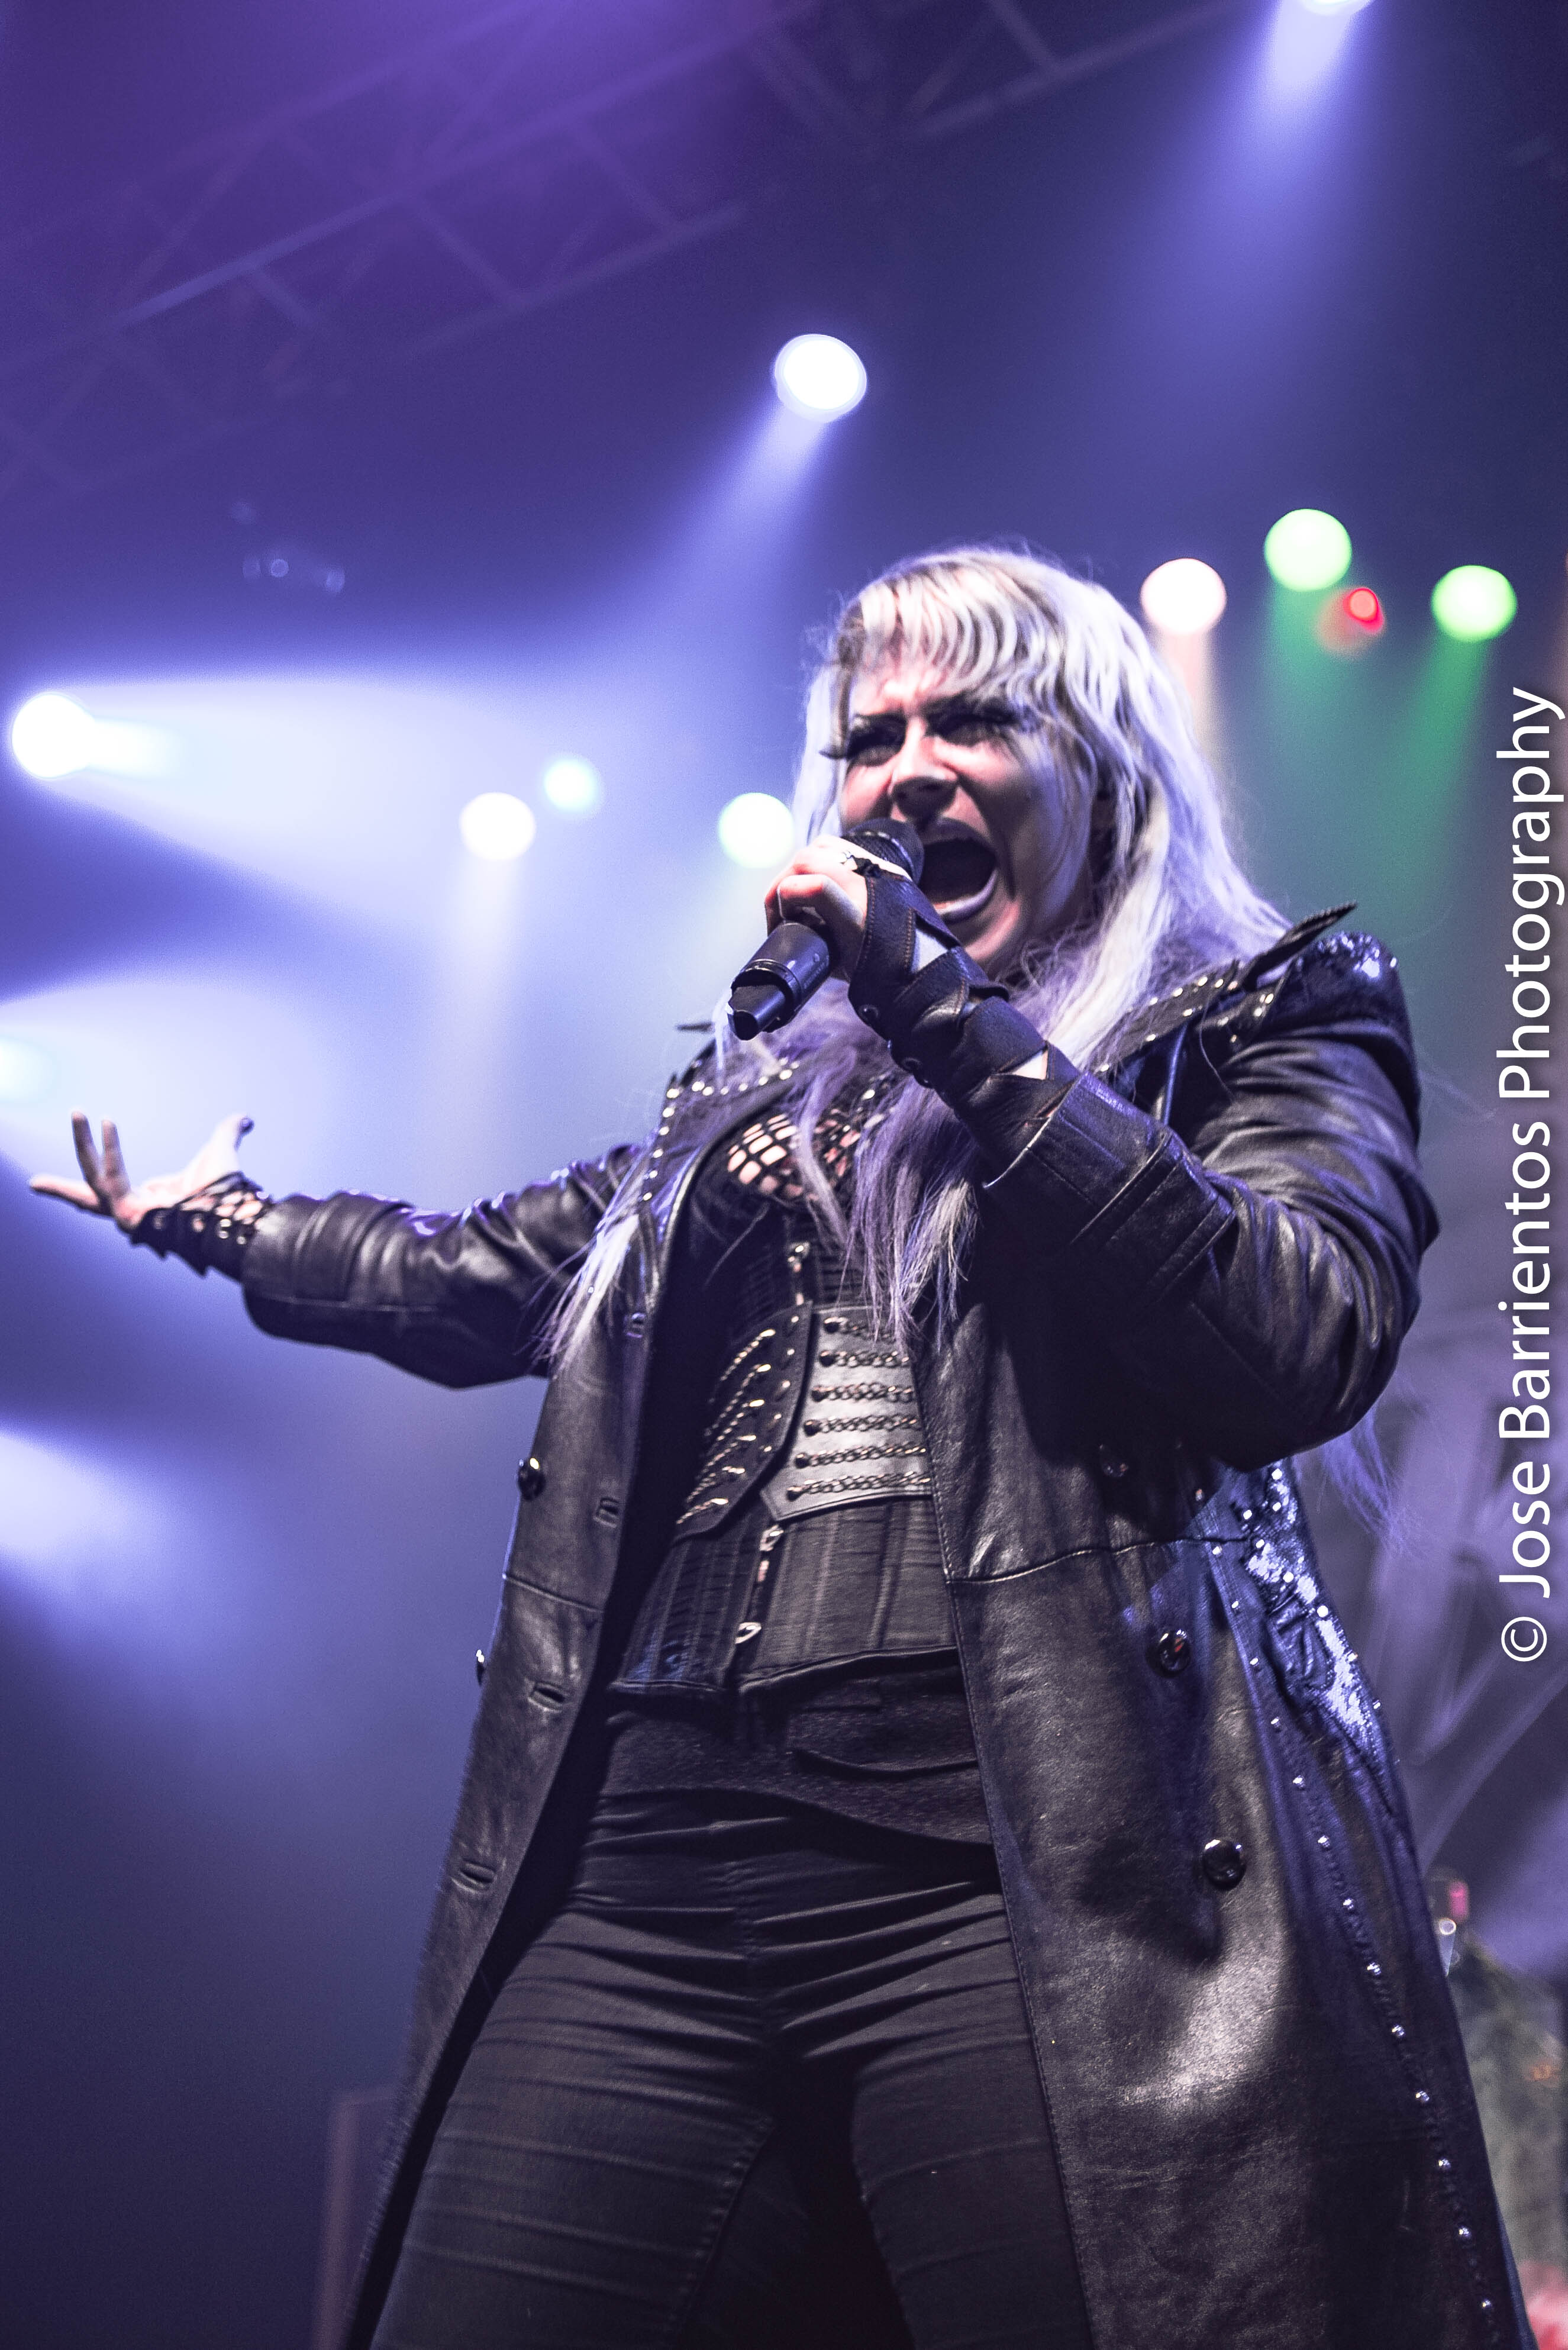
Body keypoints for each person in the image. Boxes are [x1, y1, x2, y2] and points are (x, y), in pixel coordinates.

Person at [33, 549, 1530, 2350]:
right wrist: (219, 1220)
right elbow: (480, 1274)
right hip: (649, 1868)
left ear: (1109, 765)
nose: (907, 770)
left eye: (975, 719)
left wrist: (948, 1019)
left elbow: (1294, 1332)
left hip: (1018, 1871)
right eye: (869, 737)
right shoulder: (756, 1101)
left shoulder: (1257, 1012)